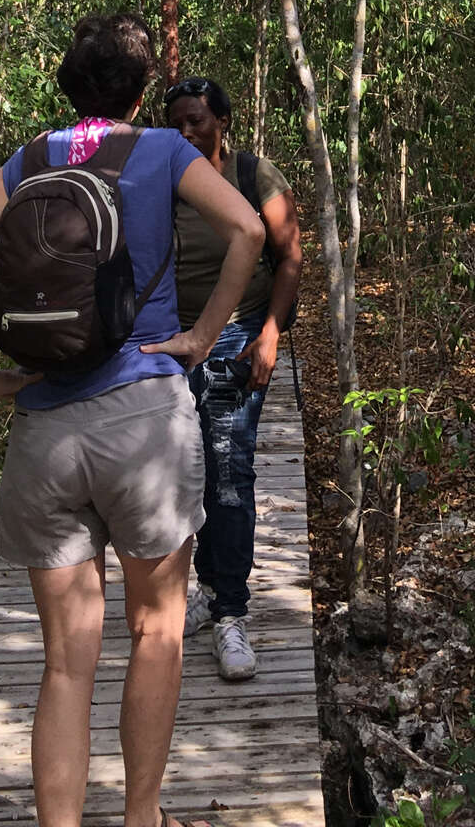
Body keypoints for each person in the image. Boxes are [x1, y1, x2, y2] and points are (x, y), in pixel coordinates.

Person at [0, 15, 265, 827]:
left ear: (67, 87)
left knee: (66, 665)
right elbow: (247, 228)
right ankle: (143, 816)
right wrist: (203, 338)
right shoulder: (163, 151)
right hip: (144, 418)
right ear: (142, 91)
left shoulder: (28, 160)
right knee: (156, 633)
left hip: (45, 432)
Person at [165, 75, 303, 684]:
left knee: (228, 471)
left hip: (235, 338)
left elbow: (291, 256)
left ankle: (230, 612)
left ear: (222, 121)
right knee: (180, 473)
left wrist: (270, 334)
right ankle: (204, 587)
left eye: (197, 119)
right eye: (177, 122)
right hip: (171, 342)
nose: (187, 131)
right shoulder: (163, 180)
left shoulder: (253, 176)